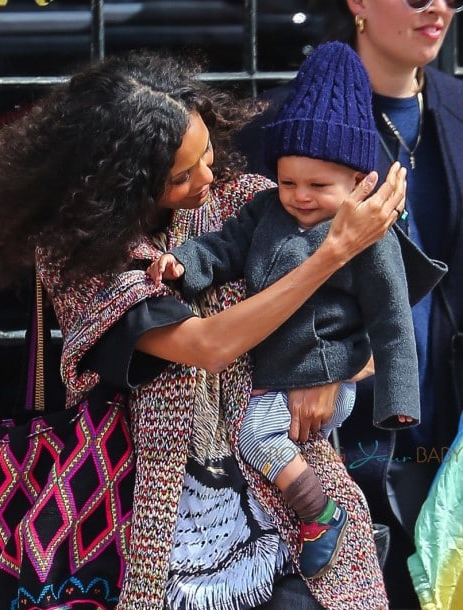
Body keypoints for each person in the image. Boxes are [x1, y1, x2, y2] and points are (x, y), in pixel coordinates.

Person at [0, 50, 406, 610]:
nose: (209, 179)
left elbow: (373, 319)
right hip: (177, 535)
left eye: (208, 153)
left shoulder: (249, 199)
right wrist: (327, 256)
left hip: (299, 504)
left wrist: (335, 366)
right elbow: (205, 344)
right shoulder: (79, 254)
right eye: (183, 173)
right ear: (128, 182)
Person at [239, 2, 463, 610]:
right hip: (318, 428)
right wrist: (321, 365)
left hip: (438, 411)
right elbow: (245, 270)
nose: (435, 4)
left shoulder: (456, 110)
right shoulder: (289, 125)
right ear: (357, 4)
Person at [147, 41, 446, 582]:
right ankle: (294, 522)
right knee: (257, 442)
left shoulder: (370, 242)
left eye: (319, 186)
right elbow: (221, 246)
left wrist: (400, 402)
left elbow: (393, 323)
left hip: (325, 371)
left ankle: (320, 516)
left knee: (256, 438)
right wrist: (181, 266)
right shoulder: (265, 211)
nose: (300, 197)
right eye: (288, 182)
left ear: (359, 183)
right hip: (273, 371)